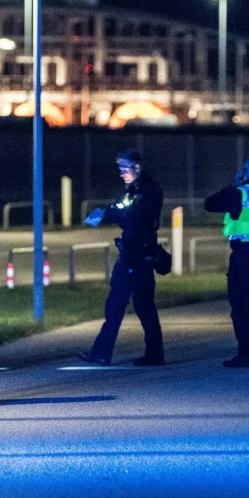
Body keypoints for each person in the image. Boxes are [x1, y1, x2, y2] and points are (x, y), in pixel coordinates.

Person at [79, 149, 165, 367]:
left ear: (137, 167)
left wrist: (105, 215)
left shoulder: (150, 190)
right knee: (118, 303)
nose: (121, 173)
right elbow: (119, 208)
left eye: (125, 169)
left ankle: (152, 354)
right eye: (120, 169)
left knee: (141, 304)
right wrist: (104, 213)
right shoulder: (132, 190)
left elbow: (132, 215)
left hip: (139, 254)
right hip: (129, 253)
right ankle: (102, 353)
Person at [203, 155, 249, 367]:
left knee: (240, 305)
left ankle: (246, 352)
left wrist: (234, 185)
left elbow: (209, 204)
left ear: (244, 171)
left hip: (243, 254)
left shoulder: (240, 194)